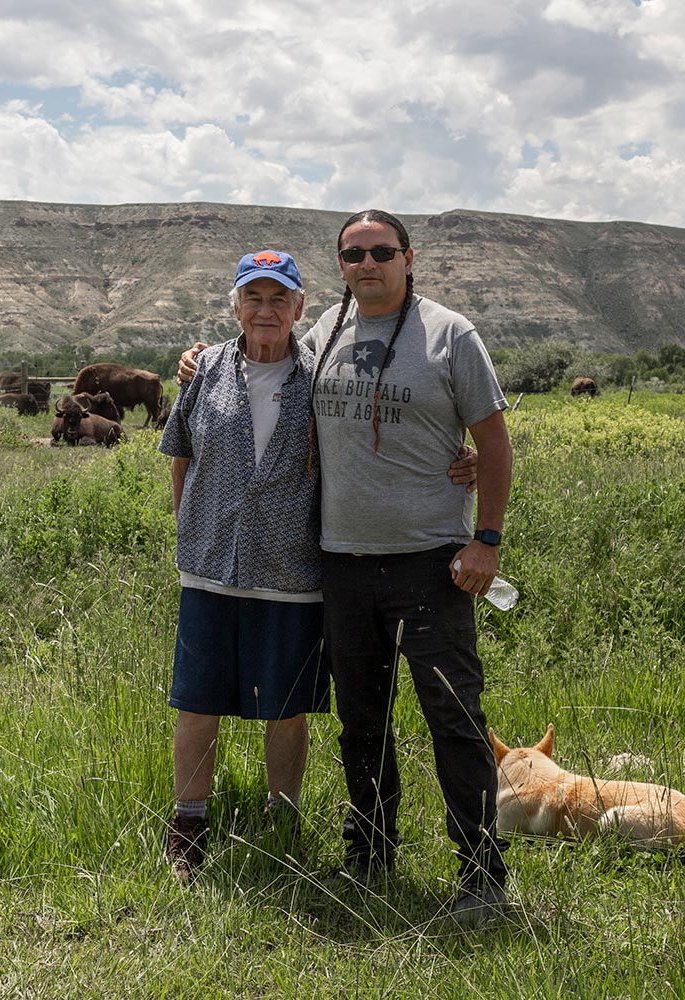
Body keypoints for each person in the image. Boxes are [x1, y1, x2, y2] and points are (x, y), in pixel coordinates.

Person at [178, 211, 512, 923]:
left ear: (407, 257)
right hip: (340, 564)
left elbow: (493, 440)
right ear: (340, 266)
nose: (367, 262)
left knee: (452, 716)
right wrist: (195, 359)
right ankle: (369, 852)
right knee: (361, 721)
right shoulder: (324, 332)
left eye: (381, 251)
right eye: (353, 253)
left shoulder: (452, 334)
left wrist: (485, 536)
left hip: (430, 562)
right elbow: (252, 359)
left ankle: (482, 874)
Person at [157, 249, 331, 884]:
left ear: (299, 308)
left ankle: (281, 821)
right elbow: (180, 453)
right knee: (198, 699)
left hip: (290, 570)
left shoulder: (322, 379)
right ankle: (189, 823)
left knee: (286, 705)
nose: (265, 311)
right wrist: (192, 525)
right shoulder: (205, 372)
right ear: (235, 305)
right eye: (253, 298)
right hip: (210, 564)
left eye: (278, 299)